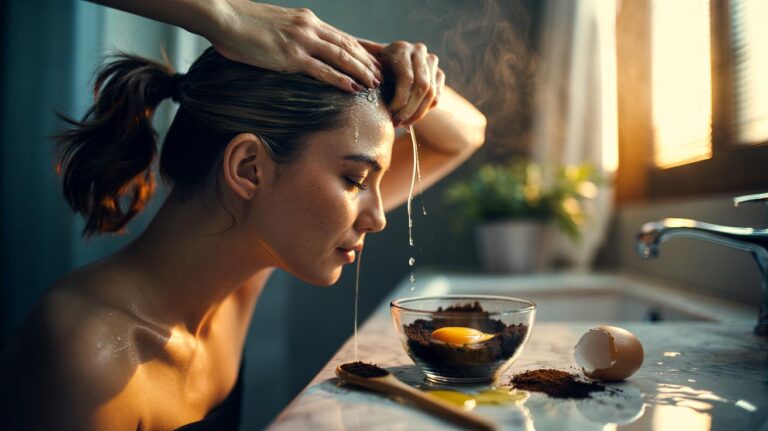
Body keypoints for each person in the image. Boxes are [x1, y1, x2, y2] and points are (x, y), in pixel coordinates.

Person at [0, 2, 487, 430]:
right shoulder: (86, 354)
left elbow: (467, 133)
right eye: (356, 180)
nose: (377, 218)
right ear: (249, 168)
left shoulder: (244, 270)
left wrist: (378, 64)